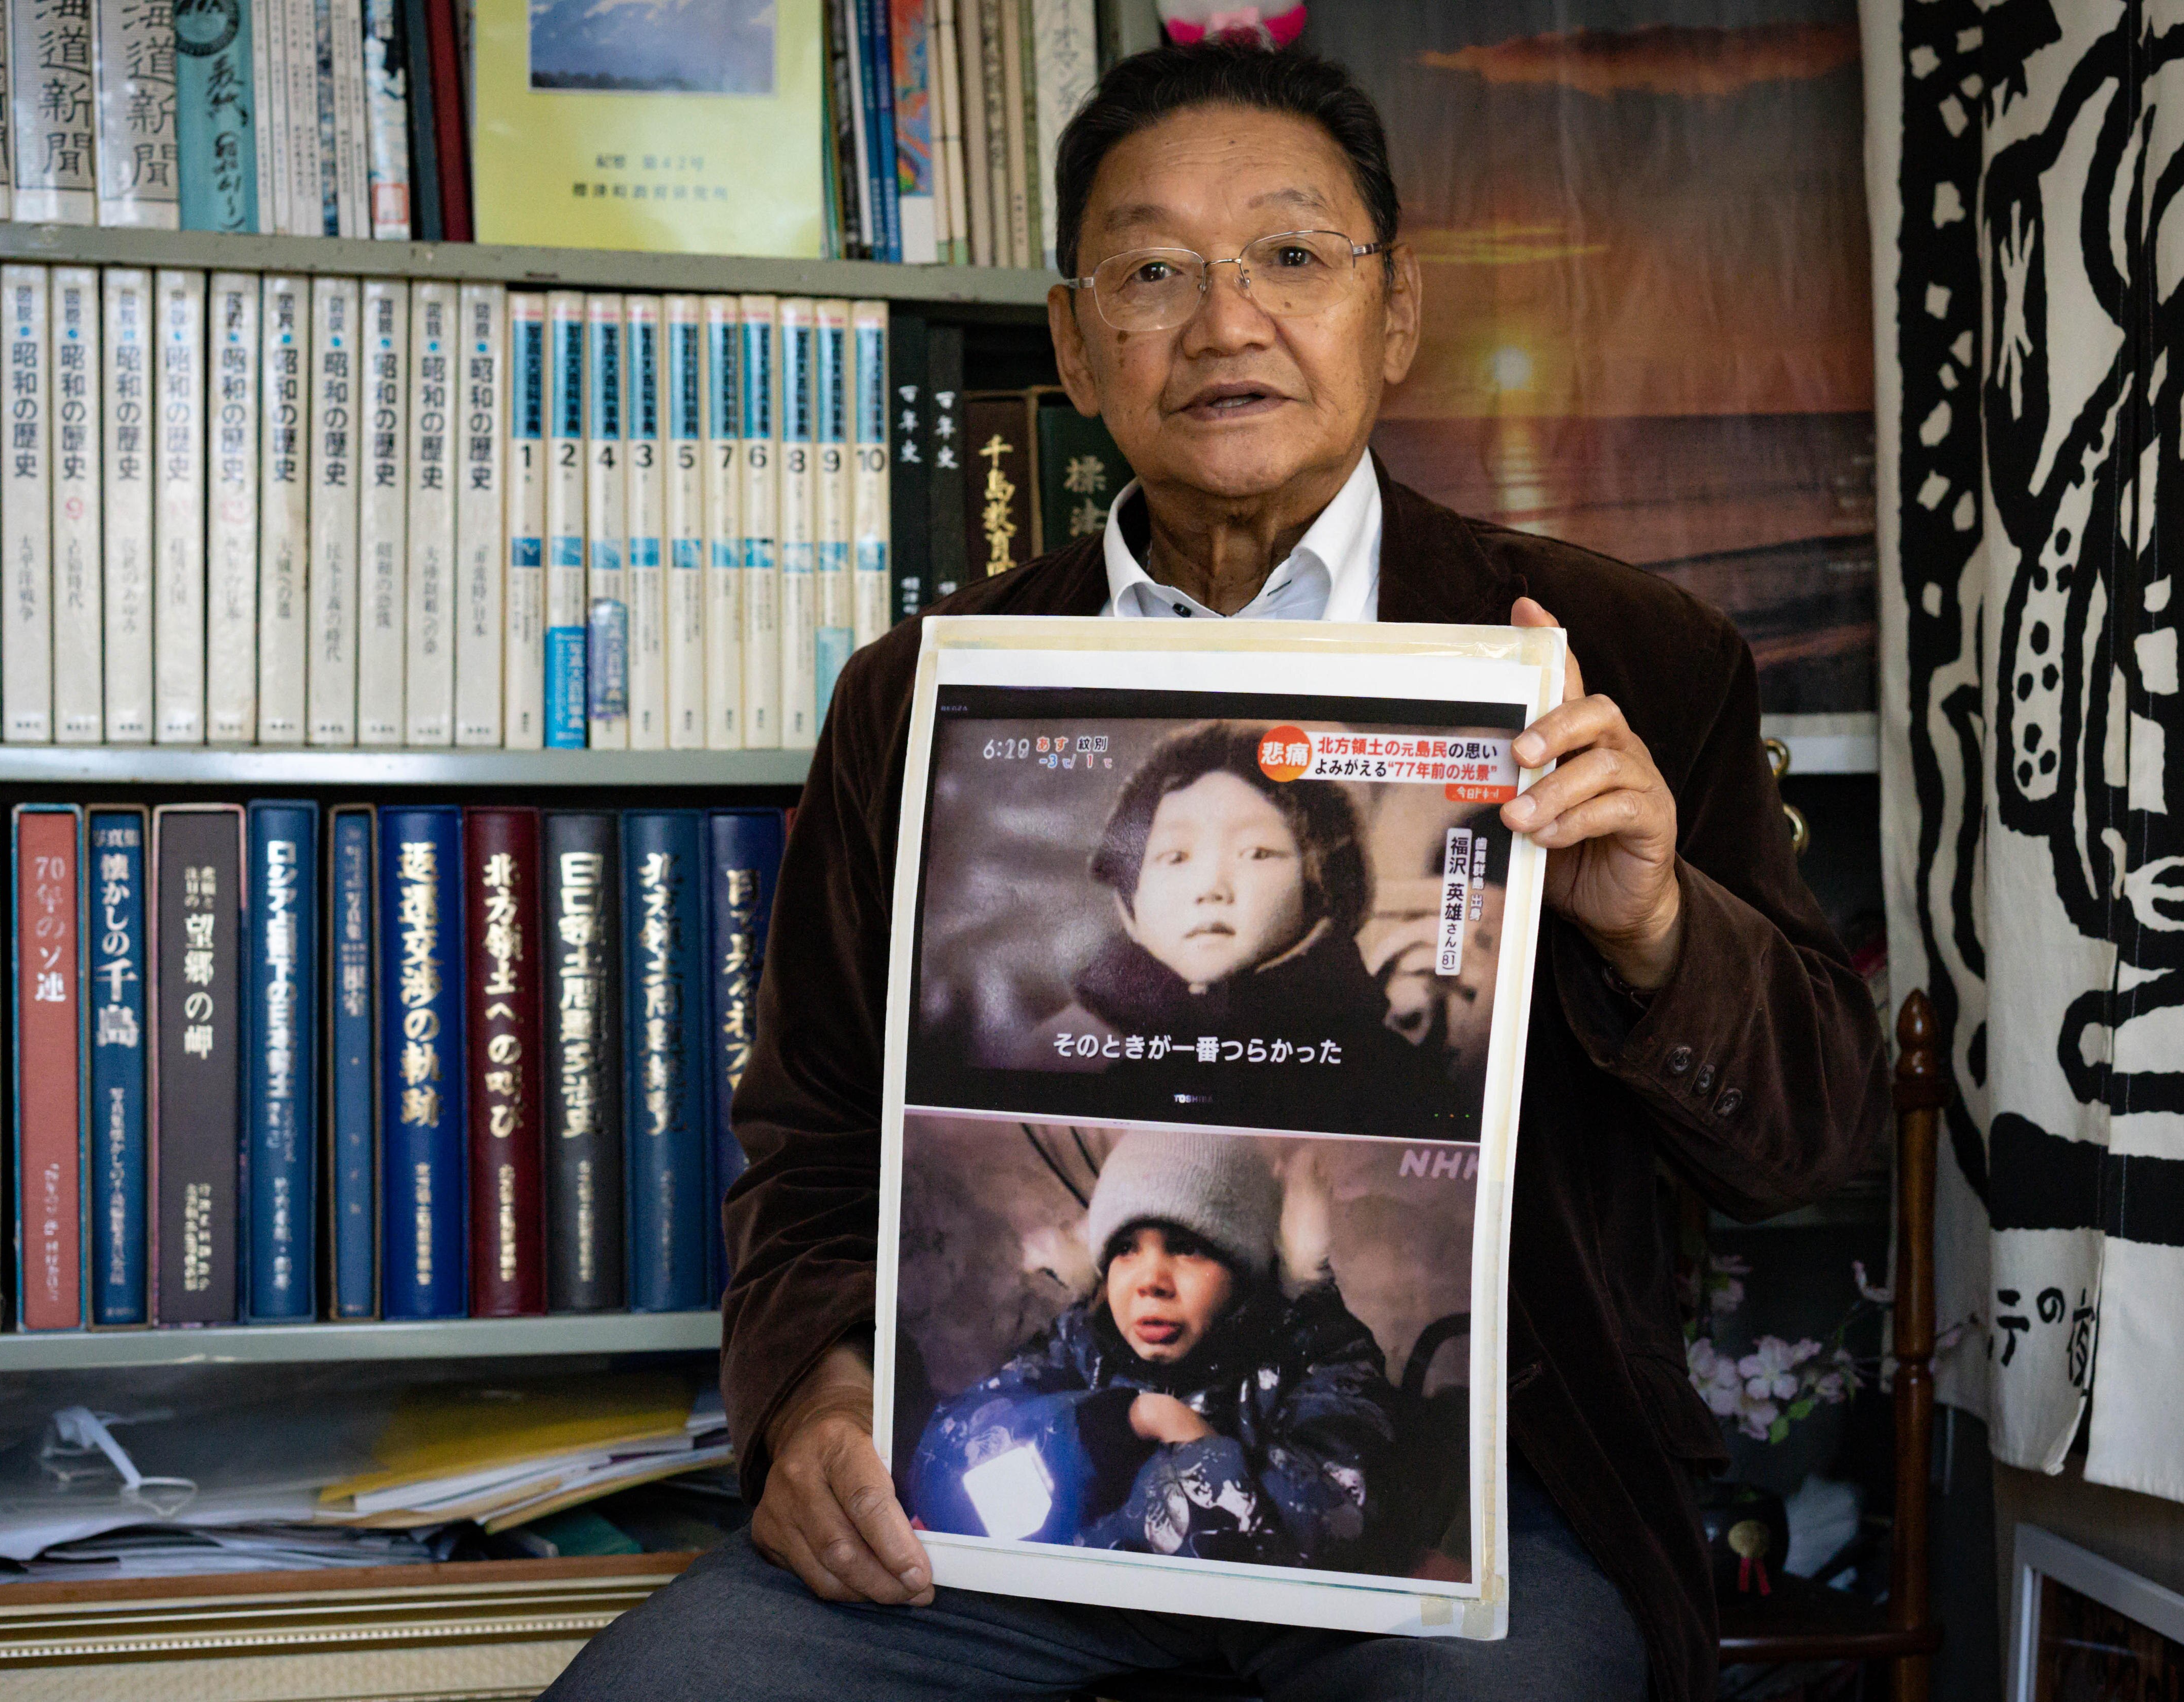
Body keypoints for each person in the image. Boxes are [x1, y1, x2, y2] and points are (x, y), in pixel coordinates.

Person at [549, 37, 1884, 1702]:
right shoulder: (927, 696)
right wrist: (818, 1388)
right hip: (1008, 1523)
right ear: (1073, 342)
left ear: (1394, 315)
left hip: (1472, 1503)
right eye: (1153, 270)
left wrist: (1658, 926)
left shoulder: (1622, 659)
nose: (1226, 320)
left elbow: (1815, 1140)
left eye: (1293, 256)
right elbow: (812, 1135)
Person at [901, 1130, 1402, 1572]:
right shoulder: (1079, 1342)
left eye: (1186, 1246)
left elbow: (1321, 1538)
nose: (1150, 1281)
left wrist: (1192, 1443)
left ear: (1245, 1266)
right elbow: (944, 1470)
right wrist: (1118, 1423)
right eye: (1125, 1248)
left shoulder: (1322, 1357)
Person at [1006, 720, 1465, 1127]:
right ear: (1130, 903)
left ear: (1320, 884)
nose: (1211, 888)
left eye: (1257, 853)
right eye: (1175, 856)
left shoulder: (1381, 1068)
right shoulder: (1061, 1053)